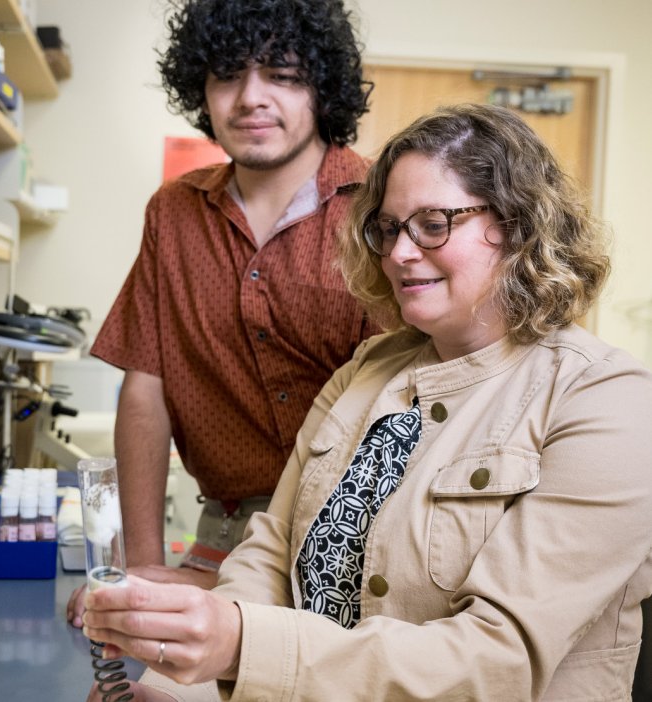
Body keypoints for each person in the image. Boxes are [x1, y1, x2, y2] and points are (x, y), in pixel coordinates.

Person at [82, 103, 652, 701]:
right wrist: (184, 690)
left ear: (518, 225)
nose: (401, 253)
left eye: (434, 223)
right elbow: (268, 559)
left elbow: (498, 658)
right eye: (388, 228)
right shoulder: (367, 372)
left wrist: (241, 644)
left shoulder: (607, 401)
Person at [67, 0, 375, 627]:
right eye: (228, 75)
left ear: (323, 86)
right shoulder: (174, 213)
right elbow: (146, 386)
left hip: (363, 536)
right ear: (200, 90)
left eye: (283, 75)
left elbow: (408, 399)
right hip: (223, 527)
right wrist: (143, 567)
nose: (250, 98)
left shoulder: (380, 208)